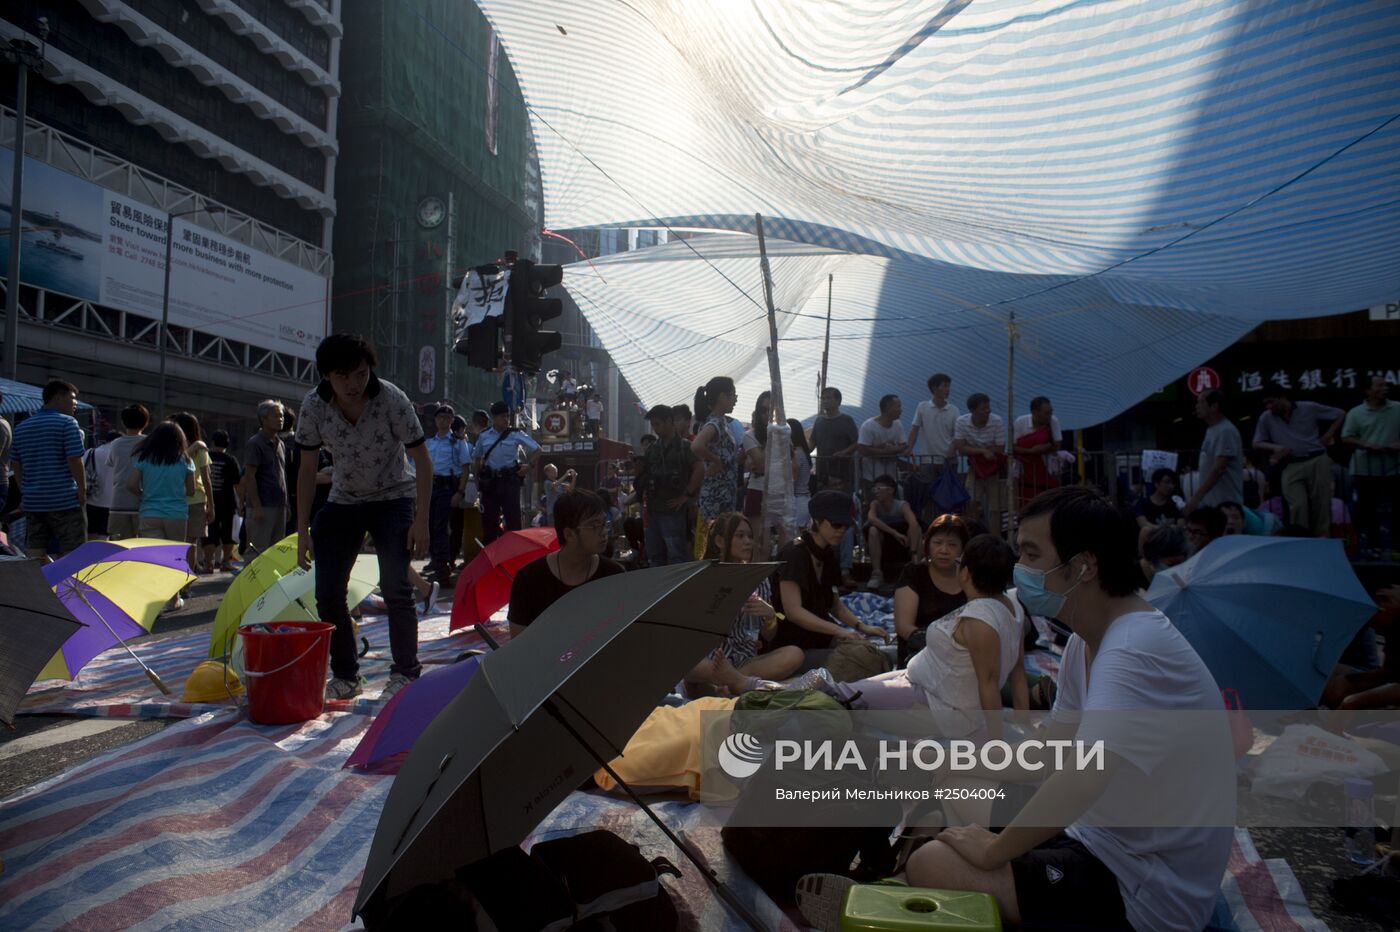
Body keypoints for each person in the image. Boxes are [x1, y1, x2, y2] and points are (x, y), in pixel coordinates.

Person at [803, 487, 1233, 932]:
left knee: (936, 863)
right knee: (955, 782)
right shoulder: (1084, 644)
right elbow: (1048, 752)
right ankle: (908, 889)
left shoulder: (1132, 649)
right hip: (1096, 833)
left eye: (1030, 554)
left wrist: (994, 851)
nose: (1018, 569)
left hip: (1141, 887)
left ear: (1082, 566)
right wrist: (951, 759)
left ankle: (904, 892)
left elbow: (1081, 778)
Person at [294, 333, 432, 702]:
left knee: (395, 588)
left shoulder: (391, 398)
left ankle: (405, 671)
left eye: (360, 374)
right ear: (326, 377)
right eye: (344, 377)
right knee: (328, 593)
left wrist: (420, 521)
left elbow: (422, 461)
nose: (354, 384)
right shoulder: (313, 406)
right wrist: (301, 530)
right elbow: (307, 471)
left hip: (393, 497)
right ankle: (346, 674)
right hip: (344, 499)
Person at [822, 534, 1028, 740]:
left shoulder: (981, 620)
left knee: (837, 698)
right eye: (938, 543)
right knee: (839, 690)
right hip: (922, 680)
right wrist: (1023, 723)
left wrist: (996, 743)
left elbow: (990, 682)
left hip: (938, 704)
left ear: (965, 572)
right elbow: (1017, 671)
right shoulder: (1011, 605)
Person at [768, 490, 891, 669]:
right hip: (793, 642)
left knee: (876, 654)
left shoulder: (828, 554)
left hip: (821, 636)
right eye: (836, 524)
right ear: (817, 521)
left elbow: (834, 604)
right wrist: (839, 630)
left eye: (845, 526)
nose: (841, 530)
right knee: (862, 662)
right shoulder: (794, 554)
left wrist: (861, 626)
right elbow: (793, 611)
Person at [508, 489, 626, 636]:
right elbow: (519, 641)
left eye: (605, 523)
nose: (604, 532)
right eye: (595, 526)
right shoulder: (529, 579)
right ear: (569, 534)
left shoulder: (614, 575)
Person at [1252, 382, 1344, 537]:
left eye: (1271, 401)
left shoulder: (1308, 407)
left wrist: (1329, 434)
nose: (1269, 406)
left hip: (1316, 458)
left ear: (1282, 397)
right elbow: (1256, 442)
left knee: (1320, 503)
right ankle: (1300, 538)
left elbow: (1340, 413)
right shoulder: (1266, 417)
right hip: (1291, 463)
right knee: (1297, 504)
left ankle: (1321, 538)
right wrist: (1275, 447)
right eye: (1265, 403)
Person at [10, 380, 86, 560]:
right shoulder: (68, 423)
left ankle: (42, 584)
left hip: (33, 502)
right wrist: (82, 491)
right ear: (58, 398)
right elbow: (75, 459)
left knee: (35, 552)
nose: (75, 404)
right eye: (72, 398)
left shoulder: (21, 428)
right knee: (74, 553)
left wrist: (25, 491)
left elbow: (16, 464)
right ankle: (66, 586)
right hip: (64, 499)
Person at [128, 421, 196, 606]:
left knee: (154, 558)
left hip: (149, 512)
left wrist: (145, 494)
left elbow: (131, 484)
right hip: (176, 514)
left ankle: (154, 602)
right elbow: (191, 491)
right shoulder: (185, 460)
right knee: (174, 556)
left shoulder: (145, 459)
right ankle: (173, 598)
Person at [893, 514, 971, 667]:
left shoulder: (970, 577)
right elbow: (903, 626)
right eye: (937, 543)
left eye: (952, 545)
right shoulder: (914, 573)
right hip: (919, 658)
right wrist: (943, 646)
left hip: (964, 656)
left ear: (963, 549)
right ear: (928, 545)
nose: (944, 550)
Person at [636, 404, 703, 566]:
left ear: (668, 421)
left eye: (657, 424)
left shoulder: (684, 447)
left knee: (677, 557)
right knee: (655, 557)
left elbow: (700, 469)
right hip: (653, 510)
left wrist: (686, 495)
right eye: (653, 425)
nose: (655, 429)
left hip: (673, 511)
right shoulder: (652, 449)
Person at [1341, 375, 1400, 555]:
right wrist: (1366, 444)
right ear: (1368, 390)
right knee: (1368, 511)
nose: (1385, 388)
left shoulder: (1397, 408)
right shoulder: (1356, 412)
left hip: (1394, 467)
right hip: (1365, 469)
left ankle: (1397, 547)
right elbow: (1346, 437)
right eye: (1379, 385)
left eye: (1385, 385)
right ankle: (1374, 547)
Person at [809, 386, 860, 580]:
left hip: (843, 478)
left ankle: (844, 569)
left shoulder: (846, 420)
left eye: (829, 397)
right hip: (823, 478)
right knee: (823, 521)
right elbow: (812, 443)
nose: (825, 400)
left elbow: (856, 443)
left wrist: (845, 453)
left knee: (842, 522)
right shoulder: (819, 421)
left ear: (838, 401)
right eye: (823, 397)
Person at [474, 401, 542, 544]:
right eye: (502, 416)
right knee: (489, 522)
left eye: (508, 416)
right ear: (494, 418)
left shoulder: (515, 434)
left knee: (513, 522)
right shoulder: (484, 436)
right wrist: (477, 483)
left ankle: (514, 557)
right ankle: (491, 559)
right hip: (490, 484)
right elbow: (477, 459)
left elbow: (537, 449)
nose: (506, 419)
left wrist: (529, 466)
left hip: (509, 482)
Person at [424, 403, 473, 580]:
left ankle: (442, 567)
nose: (443, 421)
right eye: (440, 418)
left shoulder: (458, 443)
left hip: (447, 487)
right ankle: (436, 561)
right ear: (436, 420)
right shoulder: (429, 442)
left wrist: (459, 492)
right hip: (430, 487)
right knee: (430, 525)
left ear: (452, 421)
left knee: (440, 526)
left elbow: (465, 469)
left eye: (447, 418)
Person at [1183, 389, 1245, 518]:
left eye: (1200, 402)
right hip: (1213, 503)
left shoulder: (1226, 430)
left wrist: (1196, 499)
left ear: (1214, 406)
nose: (1196, 406)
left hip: (1227, 504)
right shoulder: (1212, 430)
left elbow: (1219, 468)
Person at [953, 393, 1007, 538]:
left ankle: (995, 539)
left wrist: (974, 450)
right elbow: (960, 447)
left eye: (988, 408)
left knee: (996, 507)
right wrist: (982, 451)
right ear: (973, 410)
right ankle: (974, 536)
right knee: (971, 502)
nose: (987, 411)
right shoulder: (962, 421)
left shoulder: (996, 421)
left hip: (994, 470)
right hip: (975, 469)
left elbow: (1000, 447)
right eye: (983, 409)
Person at [691, 377, 741, 524]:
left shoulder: (720, 421)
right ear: (722, 397)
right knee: (715, 538)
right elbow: (696, 446)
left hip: (722, 493)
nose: (735, 399)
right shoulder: (715, 423)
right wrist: (716, 460)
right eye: (733, 395)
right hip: (717, 495)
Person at [242, 399, 288, 557]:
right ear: (263, 419)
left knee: (276, 552)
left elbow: (282, 475)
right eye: (275, 416)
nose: (280, 419)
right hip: (262, 506)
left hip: (279, 505)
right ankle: (251, 582)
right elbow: (250, 476)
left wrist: (286, 504)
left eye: (281, 415)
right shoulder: (255, 443)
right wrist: (257, 506)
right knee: (257, 551)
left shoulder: (280, 444)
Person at [171, 412, 214, 574]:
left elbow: (172, 465)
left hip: (176, 499)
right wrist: (211, 505)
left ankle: (178, 581)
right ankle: (187, 582)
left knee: (177, 543)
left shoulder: (171, 449)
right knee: (191, 545)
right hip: (197, 500)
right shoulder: (199, 450)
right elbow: (207, 480)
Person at [864, 474, 921, 590]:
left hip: (903, 544)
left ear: (890, 490)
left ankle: (915, 565)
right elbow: (872, 519)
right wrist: (894, 532)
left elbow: (914, 523)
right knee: (873, 530)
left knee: (916, 528)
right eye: (874, 489)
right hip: (883, 543)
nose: (876, 492)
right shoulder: (875, 504)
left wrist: (914, 550)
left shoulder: (902, 505)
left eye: (879, 489)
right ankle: (876, 574)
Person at [104, 404, 149, 541]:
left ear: (123, 422)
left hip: (118, 502)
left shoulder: (116, 444)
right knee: (142, 546)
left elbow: (111, 463)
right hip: (143, 502)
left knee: (119, 547)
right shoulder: (149, 443)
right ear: (145, 423)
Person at [1013, 396, 1063, 507]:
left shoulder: (1053, 421)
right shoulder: (1020, 422)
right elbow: (1013, 447)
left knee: (1049, 500)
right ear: (1035, 412)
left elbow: (1057, 445)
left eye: (1050, 412)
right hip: (1025, 471)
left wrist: (1044, 448)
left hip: (1047, 468)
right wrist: (1031, 451)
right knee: (1026, 501)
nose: (1049, 416)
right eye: (1046, 413)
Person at [907, 373, 959, 478]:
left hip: (949, 459)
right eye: (944, 386)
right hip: (927, 460)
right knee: (928, 491)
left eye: (948, 386)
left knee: (948, 492)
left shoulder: (954, 410)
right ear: (934, 388)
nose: (948, 389)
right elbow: (915, 429)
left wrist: (952, 450)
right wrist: (910, 448)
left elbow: (958, 434)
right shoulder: (922, 406)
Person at [206, 430, 241, 570]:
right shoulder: (230, 460)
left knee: (209, 532)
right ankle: (225, 562)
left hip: (208, 501)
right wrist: (241, 502)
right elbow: (237, 483)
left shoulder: (206, 457)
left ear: (212, 442)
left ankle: (209, 563)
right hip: (227, 502)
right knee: (228, 533)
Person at [857, 394, 907, 490]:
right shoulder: (868, 426)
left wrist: (894, 449)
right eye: (898, 407)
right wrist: (886, 452)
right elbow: (862, 448)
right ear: (888, 408)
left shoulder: (898, 424)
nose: (901, 410)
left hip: (891, 478)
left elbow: (904, 445)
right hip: (871, 478)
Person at [84, 430, 120, 541]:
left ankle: (93, 557)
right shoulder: (121, 454)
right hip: (113, 502)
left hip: (91, 501)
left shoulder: (91, 452)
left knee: (92, 535)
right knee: (107, 536)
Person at [741, 392, 771, 519]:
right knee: (756, 536)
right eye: (763, 410)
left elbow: (793, 466)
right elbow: (761, 465)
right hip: (759, 490)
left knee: (782, 537)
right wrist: (771, 436)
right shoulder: (749, 435)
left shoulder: (785, 434)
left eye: (771, 410)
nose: (767, 414)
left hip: (780, 492)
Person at [788, 417, 813, 529]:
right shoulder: (802, 451)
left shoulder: (796, 454)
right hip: (804, 499)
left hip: (797, 501)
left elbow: (793, 479)